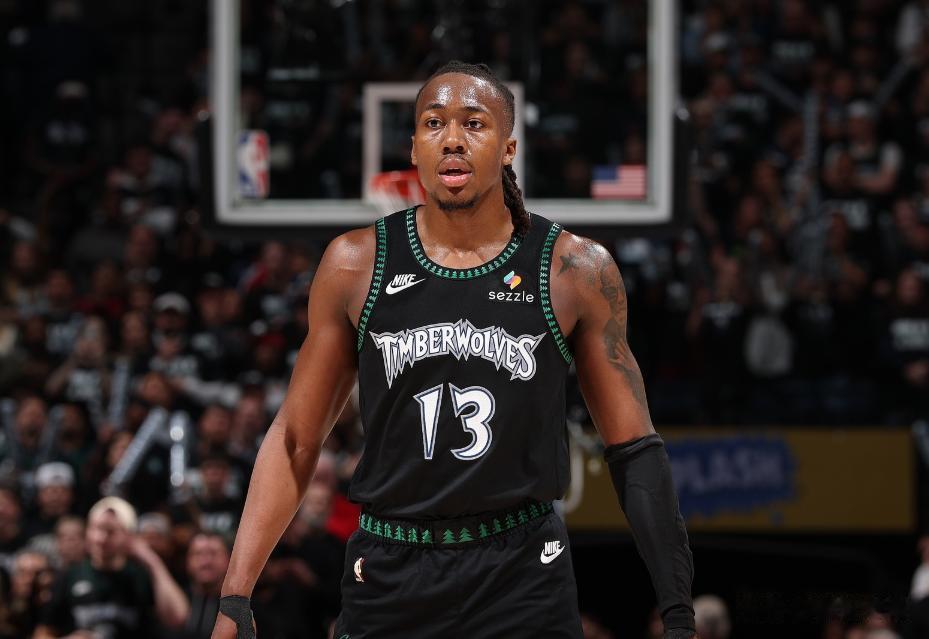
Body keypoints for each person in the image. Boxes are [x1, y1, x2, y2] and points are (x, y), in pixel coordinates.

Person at [211, 61, 694, 639]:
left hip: (522, 570)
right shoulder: (354, 263)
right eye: (434, 123)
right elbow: (296, 438)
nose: (453, 139)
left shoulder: (574, 269)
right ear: (414, 148)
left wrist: (678, 613)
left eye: (475, 123)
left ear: (509, 147)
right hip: (390, 566)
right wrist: (235, 595)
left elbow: (634, 450)